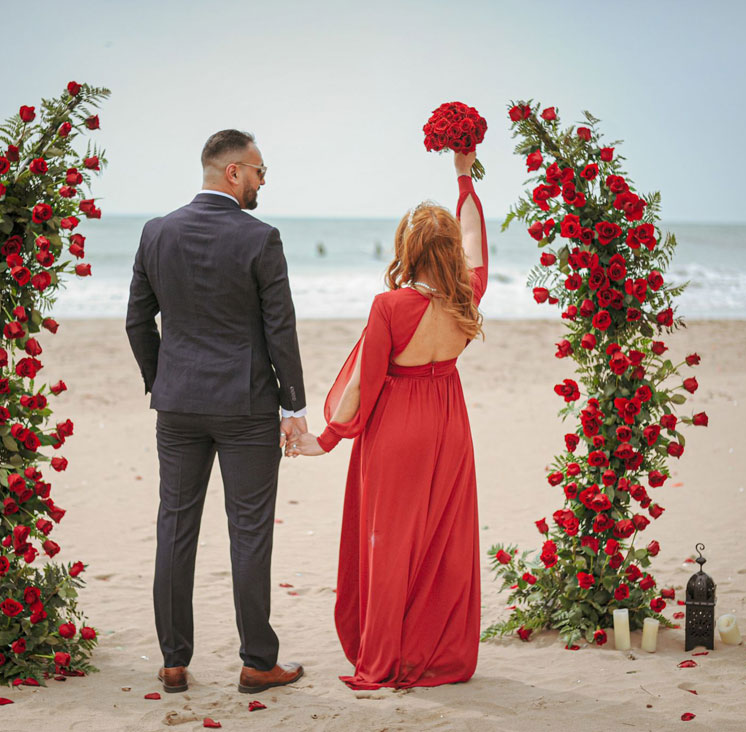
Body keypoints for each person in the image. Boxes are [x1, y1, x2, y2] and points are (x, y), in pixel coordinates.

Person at [288, 151, 487, 689]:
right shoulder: (468, 295)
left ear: (407, 250)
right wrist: (464, 176)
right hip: (448, 426)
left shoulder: (389, 306)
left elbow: (363, 384)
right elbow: (475, 237)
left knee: (390, 541)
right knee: (441, 541)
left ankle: (387, 655)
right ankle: (438, 652)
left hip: (397, 429)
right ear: (445, 251)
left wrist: (325, 439)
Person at [126, 129, 307, 695]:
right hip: (246, 404)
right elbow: (280, 326)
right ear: (233, 172)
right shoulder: (260, 238)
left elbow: (137, 321)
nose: (261, 181)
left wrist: (165, 381)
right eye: (259, 171)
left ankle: (174, 662)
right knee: (249, 531)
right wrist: (293, 404)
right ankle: (257, 662)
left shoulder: (156, 233)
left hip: (178, 406)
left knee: (174, 526)